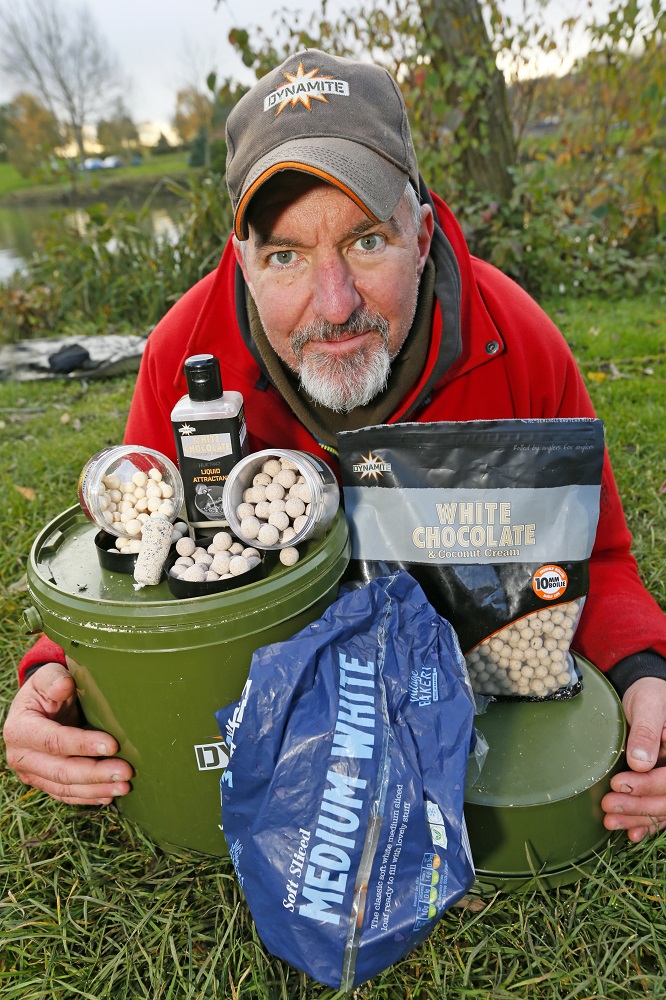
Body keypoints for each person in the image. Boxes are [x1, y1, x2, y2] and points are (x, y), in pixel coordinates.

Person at [4, 50, 666, 842]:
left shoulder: (519, 342)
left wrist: (645, 675)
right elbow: (145, 553)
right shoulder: (180, 357)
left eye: (365, 241)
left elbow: (604, 561)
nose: (335, 303)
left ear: (420, 234)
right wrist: (52, 673)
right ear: (243, 261)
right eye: (285, 255)